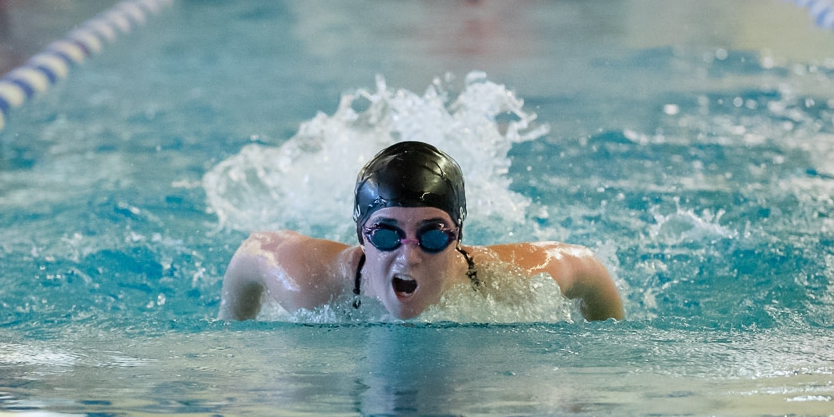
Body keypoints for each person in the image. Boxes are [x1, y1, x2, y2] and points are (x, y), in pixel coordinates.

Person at [217, 141, 624, 322]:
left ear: (458, 236)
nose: (408, 257)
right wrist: (231, 335)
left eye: (432, 236)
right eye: (386, 236)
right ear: (361, 235)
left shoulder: (504, 286)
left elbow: (586, 268)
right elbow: (253, 250)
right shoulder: (312, 285)